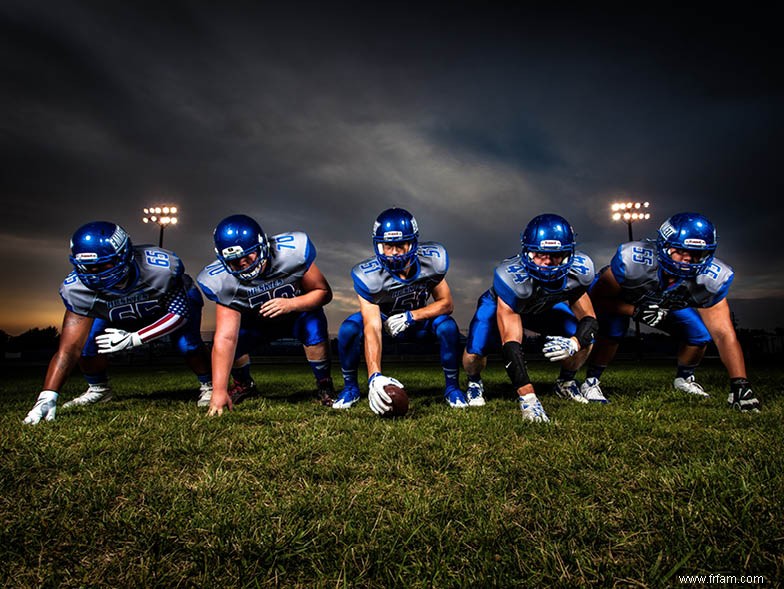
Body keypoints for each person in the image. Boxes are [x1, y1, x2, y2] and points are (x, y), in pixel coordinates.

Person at [24, 221, 213, 425]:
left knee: (188, 343)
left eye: (103, 265)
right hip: (115, 313)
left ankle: (209, 384)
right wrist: (48, 395)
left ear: (124, 254)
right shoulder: (77, 290)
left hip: (164, 307)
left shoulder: (160, 268)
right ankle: (99, 389)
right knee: (87, 344)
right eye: (88, 267)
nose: (96, 273)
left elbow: (179, 314)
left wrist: (135, 338)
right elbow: (69, 350)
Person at [582, 212, 760, 411]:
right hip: (623, 299)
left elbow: (724, 334)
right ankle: (591, 381)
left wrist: (740, 383)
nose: (687, 259)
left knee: (699, 335)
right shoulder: (634, 262)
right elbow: (597, 299)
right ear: (663, 246)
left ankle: (684, 379)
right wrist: (635, 311)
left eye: (695, 254)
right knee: (613, 330)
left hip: (666, 304)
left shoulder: (711, 279)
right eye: (680, 250)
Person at [462, 214, 600, 422]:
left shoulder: (580, 271)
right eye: (539, 254)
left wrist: (574, 342)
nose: (546, 262)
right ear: (527, 252)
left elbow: (590, 320)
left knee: (586, 337)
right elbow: (511, 344)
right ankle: (474, 382)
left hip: (541, 308)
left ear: (569, 253)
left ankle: (565, 382)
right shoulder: (510, 278)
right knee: (475, 351)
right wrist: (528, 398)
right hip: (504, 305)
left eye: (555, 255)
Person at [332, 207, 466, 414]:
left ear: (412, 243)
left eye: (400, 245)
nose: (394, 253)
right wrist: (374, 376)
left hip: (418, 321)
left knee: (448, 326)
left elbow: (446, 304)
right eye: (388, 246)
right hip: (384, 321)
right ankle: (351, 388)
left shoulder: (431, 261)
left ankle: (452, 388)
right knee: (349, 329)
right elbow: (372, 326)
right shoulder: (368, 276)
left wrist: (412, 316)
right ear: (379, 245)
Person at [197, 214, 334, 416]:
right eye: (235, 261)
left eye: (248, 257)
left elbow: (323, 293)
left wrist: (291, 303)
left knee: (314, 325)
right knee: (230, 343)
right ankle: (243, 383)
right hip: (256, 322)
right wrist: (218, 390)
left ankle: (324, 383)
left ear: (262, 246)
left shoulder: (293, 252)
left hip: (296, 315)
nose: (244, 264)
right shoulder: (220, 280)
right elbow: (226, 337)